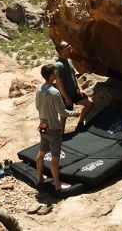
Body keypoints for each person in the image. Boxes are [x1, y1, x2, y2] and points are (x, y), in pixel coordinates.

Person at [35, 63, 79, 191]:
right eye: (55, 72)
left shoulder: (39, 89)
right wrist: (75, 113)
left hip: (43, 125)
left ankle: (40, 178)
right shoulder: (54, 92)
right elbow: (62, 112)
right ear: (50, 75)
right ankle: (58, 185)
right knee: (55, 157)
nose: (57, 74)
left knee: (42, 151)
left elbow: (38, 107)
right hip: (53, 128)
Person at [54, 41, 94, 132]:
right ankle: (61, 134)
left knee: (89, 103)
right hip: (66, 95)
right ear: (61, 50)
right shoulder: (58, 65)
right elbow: (59, 83)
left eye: (69, 45)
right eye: (66, 46)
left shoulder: (69, 60)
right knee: (64, 115)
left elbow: (74, 77)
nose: (69, 46)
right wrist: (67, 97)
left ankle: (80, 123)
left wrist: (80, 89)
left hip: (75, 92)